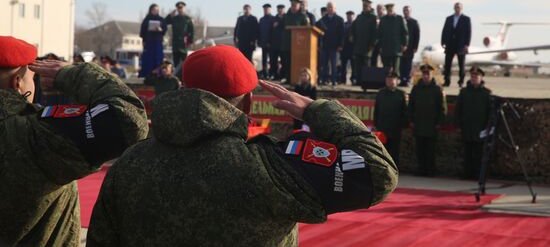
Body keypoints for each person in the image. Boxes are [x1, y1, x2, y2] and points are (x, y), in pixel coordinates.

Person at [87, 45, 398, 246]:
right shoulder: (269, 168)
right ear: (248, 102)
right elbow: (377, 172)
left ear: (183, 91)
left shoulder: (130, 163)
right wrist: (319, 111)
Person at [0, 35, 148, 246]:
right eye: (31, 77)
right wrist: (75, 74)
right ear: (17, 83)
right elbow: (128, 121)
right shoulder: (34, 135)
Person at [408, 64, 447, 177]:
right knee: (419, 150)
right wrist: (411, 120)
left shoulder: (437, 89)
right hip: (419, 125)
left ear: (431, 75)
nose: (426, 76)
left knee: (431, 150)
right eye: (424, 74)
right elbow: (411, 106)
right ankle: (421, 169)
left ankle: (430, 170)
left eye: (428, 74)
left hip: (432, 125)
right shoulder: (416, 88)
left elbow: (442, 108)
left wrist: (439, 122)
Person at [454, 66, 492, 180]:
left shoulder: (486, 93)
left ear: (481, 78)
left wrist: (487, 128)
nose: (474, 78)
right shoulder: (464, 92)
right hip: (467, 128)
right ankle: (467, 174)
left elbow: (490, 113)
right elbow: (458, 110)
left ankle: (478, 175)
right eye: (472, 76)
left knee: (479, 154)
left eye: (476, 76)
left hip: (480, 130)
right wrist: (459, 125)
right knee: (467, 153)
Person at [373, 70, 408, 166]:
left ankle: (394, 170)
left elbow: (405, 112)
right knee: (383, 151)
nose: (390, 81)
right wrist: (376, 124)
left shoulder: (401, 94)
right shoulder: (381, 93)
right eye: (388, 79)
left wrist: (402, 125)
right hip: (382, 128)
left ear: (397, 81)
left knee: (394, 152)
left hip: (395, 128)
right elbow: (377, 110)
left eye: (393, 79)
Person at [441, 2, 472, 87]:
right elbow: (444, 30)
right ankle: (447, 81)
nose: (457, 8)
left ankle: (461, 81)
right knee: (447, 65)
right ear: (454, 8)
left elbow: (468, 32)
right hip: (450, 44)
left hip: (461, 45)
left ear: (461, 8)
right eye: (456, 7)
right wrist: (443, 41)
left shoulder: (466, 19)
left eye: (459, 7)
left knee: (461, 65)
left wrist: (467, 44)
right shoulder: (449, 18)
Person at [281, 0, 309, 83]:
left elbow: (307, 30)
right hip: (287, 44)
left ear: (299, 6)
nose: (293, 7)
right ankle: (288, 79)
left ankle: (298, 79)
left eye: (295, 5)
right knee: (286, 62)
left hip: (298, 45)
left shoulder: (303, 16)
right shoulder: (286, 16)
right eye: (292, 5)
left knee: (297, 62)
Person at [351, 0, 377, 85]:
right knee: (358, 65)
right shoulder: (359, 17)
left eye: (366, 6)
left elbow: (375, 33)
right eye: (363, 6)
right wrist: (351, 35)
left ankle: (366, 82)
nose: (364, 8)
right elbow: (353, 28)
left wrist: (372, 44)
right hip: (358, 46)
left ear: (370, 7)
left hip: (367, 47)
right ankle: (358, 81)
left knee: (366, 66)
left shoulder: (373, 18)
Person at [377, 3, 408, 74]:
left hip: (396, 49)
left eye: (391, 10)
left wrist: (405, 44)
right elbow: (379, 34)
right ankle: (386, 82)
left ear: (394, 10)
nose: (390, 11)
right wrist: (380, 46)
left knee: (395, 69)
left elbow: (405, 33)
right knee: (386, 68)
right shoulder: (383, 19)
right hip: (385, 48)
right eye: (388, 10)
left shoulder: (399, 19)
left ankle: (395, 83)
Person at [319, 2, 344, 86]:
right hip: (325, 46)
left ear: (335, 8)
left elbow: (342, 34)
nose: (330, 9)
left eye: (331, 7)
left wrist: (340, 45)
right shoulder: (323, 19)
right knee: (325, 65)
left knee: (334, 65)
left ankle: (334, 81)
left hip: (335, 47)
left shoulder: (339, 19)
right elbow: (317, 30)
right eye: (328, 7)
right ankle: (324, 80)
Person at [139, 3, 167, 77]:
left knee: (158, 59)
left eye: (157, 10)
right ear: (151, 10)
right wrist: (144, 40)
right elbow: (142, 32)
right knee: (148, 59)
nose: (155, 11)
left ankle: (158, 74)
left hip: (158, 42)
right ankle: (147, 74)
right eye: (154, 10)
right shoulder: (146, 19)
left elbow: (164, 30)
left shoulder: (161, 19)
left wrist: (160, 29)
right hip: (149, 42)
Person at [165, 1, 195, 69]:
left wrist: (191, 41)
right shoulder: (174, 18)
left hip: (183, 44)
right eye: (178, 8)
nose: (180, 9)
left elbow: (192, 31)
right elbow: (165, 22)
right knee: (176, 63)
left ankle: (183, 78)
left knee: (184, 63)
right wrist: (170, 16)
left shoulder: (188, 19)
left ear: (184, 8)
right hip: (175, 44)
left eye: (181, 8)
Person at [400, 5, 420, 86]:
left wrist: (415, 47)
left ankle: (407, 80)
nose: (405, 12)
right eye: (404, 10)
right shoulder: (400, 21)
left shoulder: (414, 22)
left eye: (407, 10)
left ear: (410, 11)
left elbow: (417, 35)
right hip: (401, 48)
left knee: (408, 64)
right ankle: (402, 79)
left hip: (410, 47)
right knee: (401, 65)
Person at [258, 3, 275, 79]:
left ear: (270, 10)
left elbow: (273, 32)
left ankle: (271, 73)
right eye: (264, 9)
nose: (266, 10)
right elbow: (259, 31)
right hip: (263, 42)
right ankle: (265, 73)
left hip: (271, 43)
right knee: (264, 59)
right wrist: (259, 41)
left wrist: (270, 42)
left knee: (272, 59)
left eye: (267, 9)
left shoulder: (273, 19)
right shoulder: (261, 19)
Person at [269, 4, 286, 79]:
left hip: (284, 44)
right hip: (274, 43)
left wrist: (279, 24)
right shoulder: (273, 18)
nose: (280, 10)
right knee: (273, 60)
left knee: (283, 61)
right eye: (279, 9)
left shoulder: (286, 17)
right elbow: (270, 31)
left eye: (282, 9)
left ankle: (282, 75)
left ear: (284, 9)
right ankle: (274, 75)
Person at [340, 10, 355, 84]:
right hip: (344, 48)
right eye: (348, 15)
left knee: (353, 65)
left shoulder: (355, 24)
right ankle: (343, 79)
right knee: (343, 66)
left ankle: (353, 79)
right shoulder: (344, 24)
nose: (349, 17)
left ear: (353, 16)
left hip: (352, 48)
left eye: (351, 15)